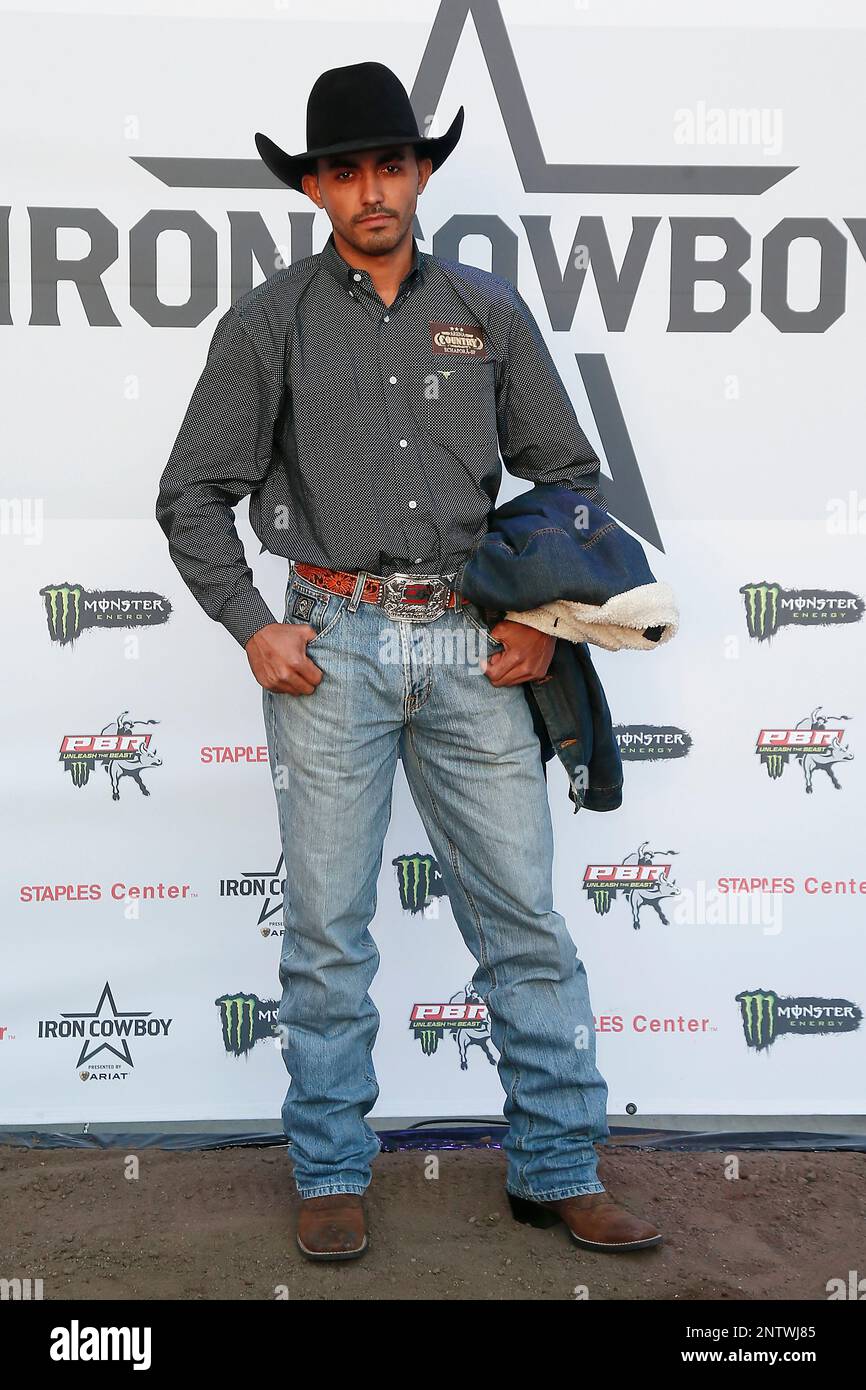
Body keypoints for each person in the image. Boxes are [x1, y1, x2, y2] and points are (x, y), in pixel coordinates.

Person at [156, 61, 662, 1261]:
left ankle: (556, 1169)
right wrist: (249, 623)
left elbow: (570, 479)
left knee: (522, 924)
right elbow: (193, 495)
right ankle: (330, 1170)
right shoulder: (267, 321)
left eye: (390, 164)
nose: (370, 189)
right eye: (344, 170)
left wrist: (540, 616)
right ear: (315, 188)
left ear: (421, 172)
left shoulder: (487, 311)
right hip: (327, 644)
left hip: (475, 639)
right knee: (326, 929)